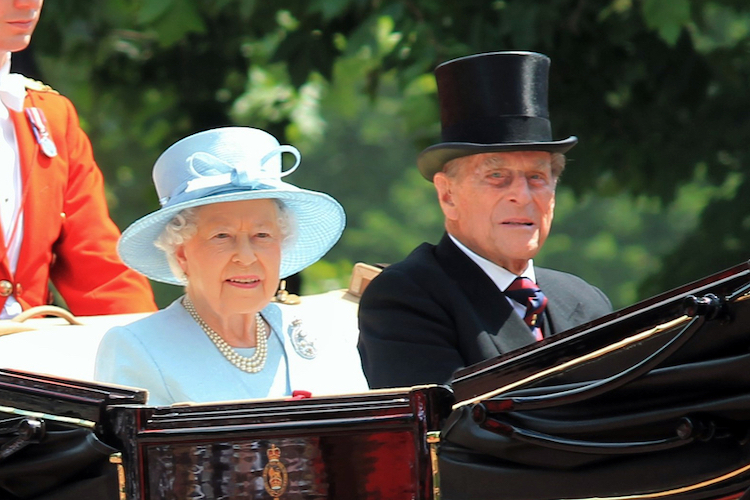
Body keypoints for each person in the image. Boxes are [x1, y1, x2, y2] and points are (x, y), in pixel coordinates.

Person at [357, 51, 613, 389]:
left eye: (537, 177)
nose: (522, 195)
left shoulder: (585, 300)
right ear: (448, 195)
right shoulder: (406, 298)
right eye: (497, 175)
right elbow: (453, 431)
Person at [95, 127, 368, 405]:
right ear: (182, 254)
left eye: (262, 235)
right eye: (222, 236)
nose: (246, 257)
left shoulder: (327, 337)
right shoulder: (137, 347)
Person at [0, 0, 157, 318]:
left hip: (28, 359)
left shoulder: (51, 117)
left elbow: (101, 273)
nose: (27, 2)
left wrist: (153, 353)